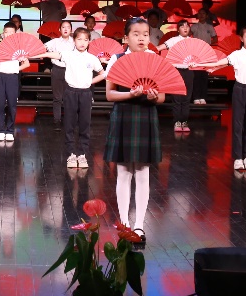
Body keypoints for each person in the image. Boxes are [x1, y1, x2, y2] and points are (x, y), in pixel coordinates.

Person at [104, 17, 162, 243]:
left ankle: (139, 225)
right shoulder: (117, 60)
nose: (142, 38)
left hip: (146, 115)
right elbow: (110, 94)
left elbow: (162, 97)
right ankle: (124, 224)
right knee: (123, 172)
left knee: (143, 172)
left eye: (145, 34)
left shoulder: (154, 59)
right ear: (125, 38)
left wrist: (153, 96)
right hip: (124, 115)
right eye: (136, 34)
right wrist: (131, 94)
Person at [202, 27, 246, 171]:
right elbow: (218, 63)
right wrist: (200, 65)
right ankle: (238, 158)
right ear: (241, 38)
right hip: (239, 89)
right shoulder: (237, 54)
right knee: (238, 123)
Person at [41, 26, 106, 168]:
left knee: (85, 124)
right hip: (70, 92)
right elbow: (54, 55)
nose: (82, 42)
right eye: (79, 39)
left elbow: (103, 74)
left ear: (89, 41)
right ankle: (71, 154)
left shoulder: (92, 58)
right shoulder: (68, 55)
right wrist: (39, 54)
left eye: (85, 40)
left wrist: (90, 82)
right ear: (74, 40)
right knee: (69, 124)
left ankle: (82, 155)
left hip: (86, 93)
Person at [0, 21, 27, 142]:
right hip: (0, 77)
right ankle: (1, 130)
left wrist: (15, 69)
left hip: (12, 77)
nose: (8, 34)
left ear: (15, 34)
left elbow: (26, 64)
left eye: (11, 32)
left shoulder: (19, 49)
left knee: (12, 105)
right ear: (3, 34)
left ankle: (10, 130)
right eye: (6, 32)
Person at [159, 18, 196, 133]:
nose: (185, 28)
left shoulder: (193, 42)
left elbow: (198, 56)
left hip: (189, 71)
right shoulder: (173, 40)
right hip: (176, 71)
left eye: (187, 26)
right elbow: (160, 48)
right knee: (177, 98)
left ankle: (184, 121)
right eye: (182, 26)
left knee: (186, 98)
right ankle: (177, 122)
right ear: (178, 29)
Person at [46, 20, 76, 133]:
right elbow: (43, 47)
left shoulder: (75, 42)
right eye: (63, 27)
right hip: (57, 70)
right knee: (57, 98)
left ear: (71, 30)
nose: (66, 29)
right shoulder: (54, 41)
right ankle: (57, 121)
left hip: (70, 70)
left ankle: (69, 121)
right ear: (60, 29)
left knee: (70, 97)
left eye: (68, 27)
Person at [189, 8, 218, 105]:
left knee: (204, 76)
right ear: (197, 15)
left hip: (206, 53)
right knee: (196, 76)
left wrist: (208, 45)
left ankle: (203, 97)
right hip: (196, 53)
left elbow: (215, 38)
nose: (201, 15)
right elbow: (188, 37)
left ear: (206, 16)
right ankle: (196, 97)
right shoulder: (193, 26)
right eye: (200, 13)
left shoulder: (210, 27)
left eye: (203, 13)